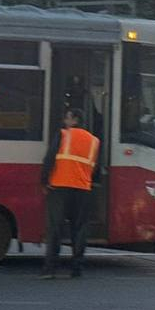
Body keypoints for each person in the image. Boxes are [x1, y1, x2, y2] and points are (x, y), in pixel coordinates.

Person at [40, 108, 101, 279]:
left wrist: (44, 181)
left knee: (55, 228)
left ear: (74, 120)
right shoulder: (94, 141)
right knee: (79, 228)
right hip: (83, 189)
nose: (64, 121)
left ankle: (50, 269)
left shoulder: (63, 135)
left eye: (66, 118)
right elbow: (95, 168)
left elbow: (49, 158)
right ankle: (76, 268)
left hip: (59, 186)